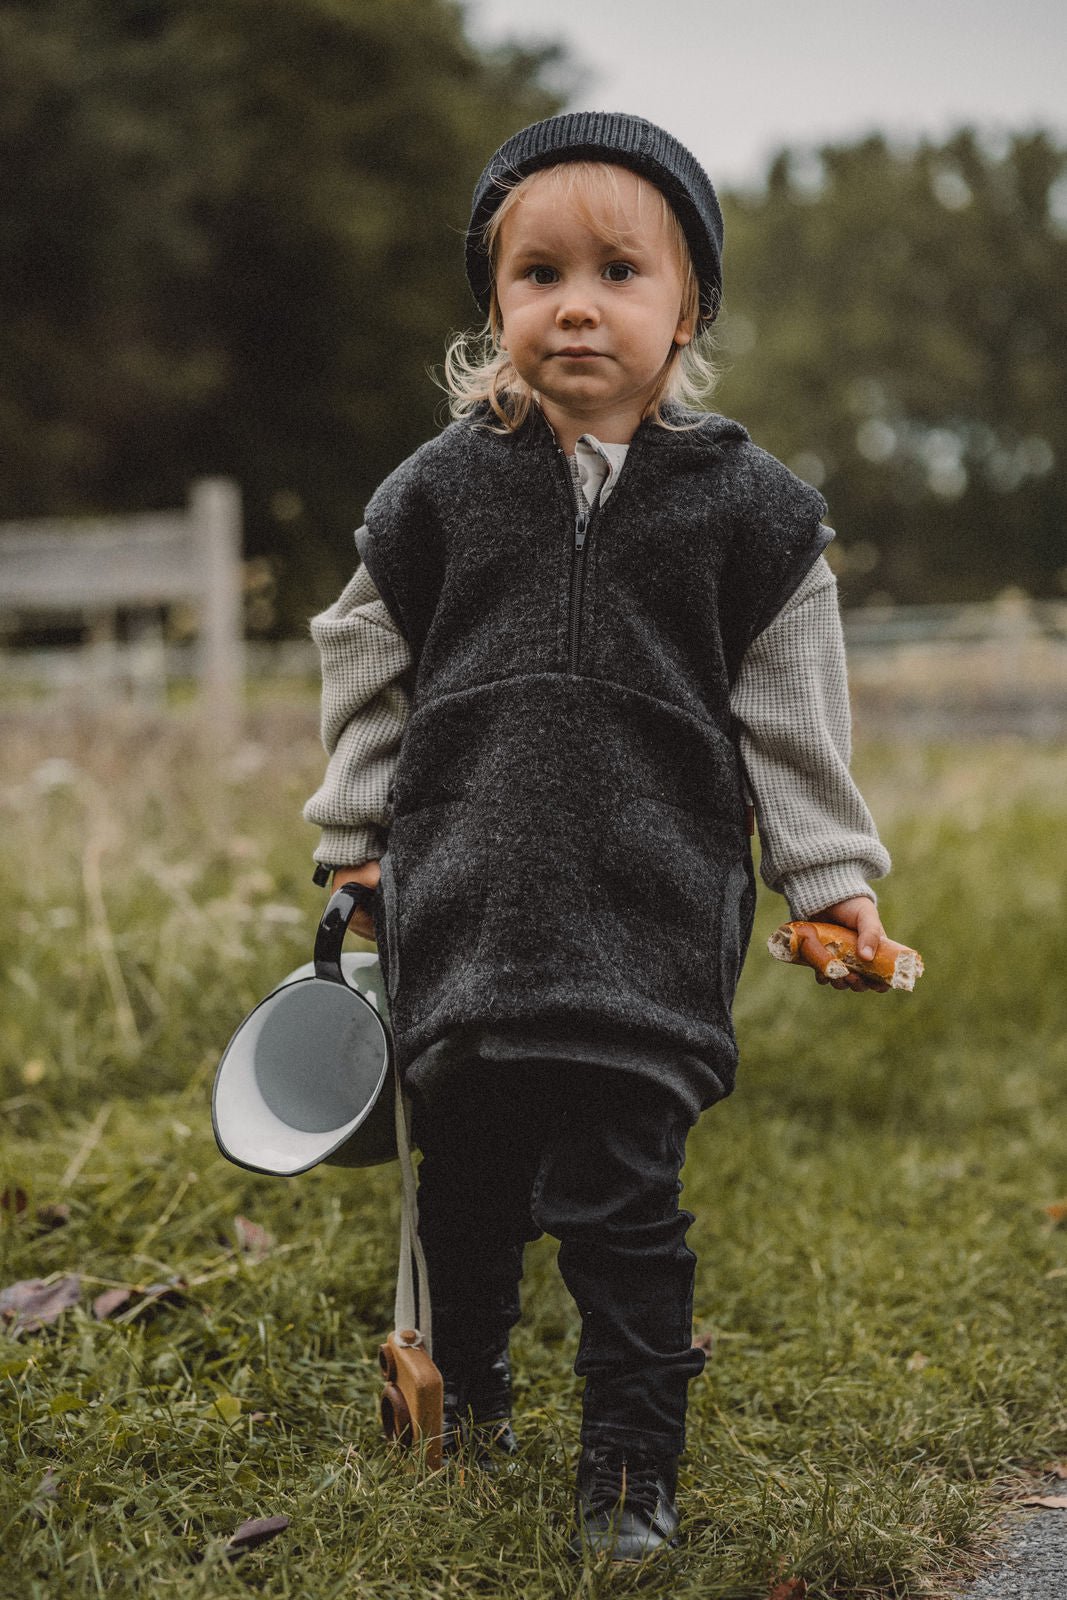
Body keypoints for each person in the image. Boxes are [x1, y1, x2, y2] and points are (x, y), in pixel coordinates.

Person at [303, 111, 893, 1561]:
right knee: (475, 1179)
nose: (576, 302)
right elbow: (366, 657)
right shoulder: (439, 492)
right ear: (495, 303)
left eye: (619, 271)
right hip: (472, 907)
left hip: (646, 911)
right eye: (538, 272)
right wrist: (352, 843)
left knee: (625, 1197)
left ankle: (630, 1470)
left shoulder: (747, 516)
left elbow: (793, 714)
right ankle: (478, 1398)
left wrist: (830, 880)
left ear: (685, 305)